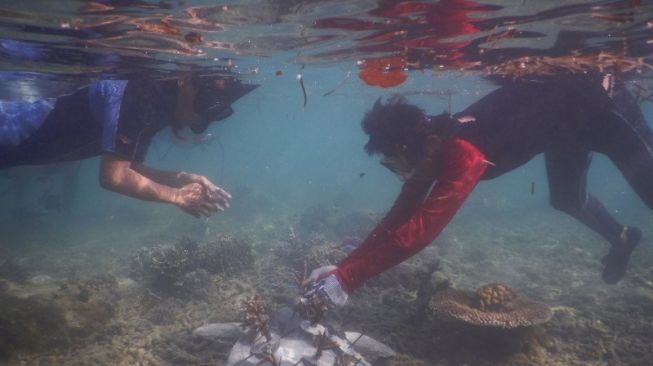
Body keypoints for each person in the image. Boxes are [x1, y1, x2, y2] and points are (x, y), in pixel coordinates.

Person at [302, 73, 652, 309]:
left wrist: (349, 280)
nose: (396, 172)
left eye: (392, 162)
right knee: (565, 200)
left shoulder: (463, 155)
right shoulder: (430, 150)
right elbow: (398, 218)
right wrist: (342, 269)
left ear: (413, 149)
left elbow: (418, 234)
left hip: (600, 108)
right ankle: (621, 237)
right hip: (563, 127)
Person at [0, 75, 257, 218]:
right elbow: (113, 177)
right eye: (206, 104)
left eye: (216, 114)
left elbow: (127, 165)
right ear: (185, 81)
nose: (199, 121)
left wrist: (179, 179)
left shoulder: (160, 106)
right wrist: (176, 196)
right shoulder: (141, 93)